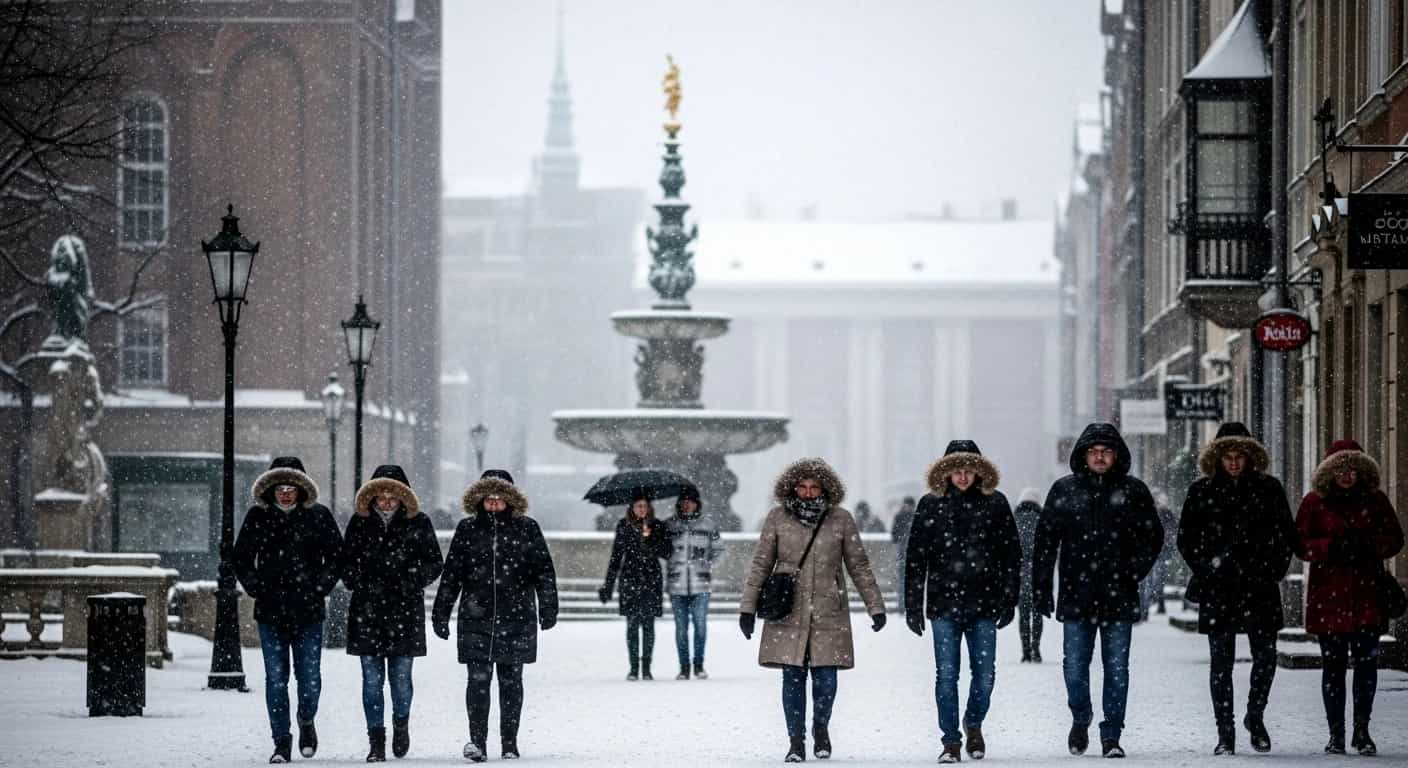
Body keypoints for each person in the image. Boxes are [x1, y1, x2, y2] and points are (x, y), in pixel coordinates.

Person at [739, 458, 887, 763]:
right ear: (792, 487)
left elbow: (858, 565)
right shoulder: (777, 517)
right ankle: (796, 741)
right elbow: (761, 564)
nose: (808, 493)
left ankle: (821, 727)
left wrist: (875, 605)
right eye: (802, 487)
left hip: (828, 608)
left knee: (826, 679)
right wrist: (747, 608)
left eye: (814, 487)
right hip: (788, 608)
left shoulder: (840, 519)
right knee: (792, 678)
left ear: (825, 489)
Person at [1033, 423, 1163, 759]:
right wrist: (1041, 588)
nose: (1100, 457)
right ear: (1084, 455)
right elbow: (1045, 542)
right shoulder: (1064, 490)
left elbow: (1153, 536)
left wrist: (1132, 571)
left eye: (1106, 451)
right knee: (1074, 667)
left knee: (1117, 669)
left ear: (1116, 455)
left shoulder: (1133, 491)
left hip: (1119, 594)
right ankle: (1081, 716)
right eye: (1094, 451)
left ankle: (1111, 734)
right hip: (1076, 593)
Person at [1177, 423, 1295, 756]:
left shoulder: (1269, 489)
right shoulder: (1201, 491)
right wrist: (1206, 569)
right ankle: (1224, 732)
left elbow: (1285, 534)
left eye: (1239, 456)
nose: (1233, 463)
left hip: (1260, 586)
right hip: (1219, 587)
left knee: (1266, 657)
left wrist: (1272, 569)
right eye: (1227, 456)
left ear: (1249, 457)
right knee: (1221, 663)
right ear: (1217, 458)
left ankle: (1255, 716)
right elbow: (1186, 538)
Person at [905, 441, 1021, 763]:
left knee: (985, 675)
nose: (963, 477)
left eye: (969, 470)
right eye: (957, 470)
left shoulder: (996, 503)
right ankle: (951, 741)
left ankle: (974, 721)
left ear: (979, 471)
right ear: (946, 472)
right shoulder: (931, 504)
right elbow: (916, 558)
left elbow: (1011, 555)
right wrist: (913, 606)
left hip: (984, 603)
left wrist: (1009, 598)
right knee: (946, 675)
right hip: (944, 605)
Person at [432, 470, 558, 762]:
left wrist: (548, 606)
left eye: (499, 499)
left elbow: (543, 570)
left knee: (511, 682)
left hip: (517, 616)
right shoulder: (467, 529)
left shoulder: (527, 528)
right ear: (479, 499)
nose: (494, 504)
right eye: (489, 498)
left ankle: (509, 742)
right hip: (476, 616)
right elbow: (452, 574)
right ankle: (478, 741)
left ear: (510, 500)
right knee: (477, 681)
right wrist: (441, 612)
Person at [1296, 439, 1405, 756]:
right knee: (1333, 667)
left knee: (1366, 666)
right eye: (1340, 469)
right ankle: (1336, 734)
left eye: (1352, 469)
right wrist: (1329, 547)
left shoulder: (1376, 500)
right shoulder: (1314, 502)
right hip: (1328, 597)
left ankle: (1362, 730)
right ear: (1329, 472)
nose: (1346, 475)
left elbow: (1395, 538)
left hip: (1367, 595)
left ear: (1361, 471)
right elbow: (1300, 544)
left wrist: (1369, 546)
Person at [234, 456, 343, 764]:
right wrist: (256, 586)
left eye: (290, 489)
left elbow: (337, 556)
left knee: (309, 680)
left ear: (301, 489)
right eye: (280, 489)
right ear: (271, 489)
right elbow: (241, 557)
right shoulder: (258, 516)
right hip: (270, 612)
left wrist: (319, 587)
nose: (285, 494)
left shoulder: (318, 516)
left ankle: (306, 719)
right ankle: (281, 741)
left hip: (309, 612)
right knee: (276, 679)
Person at [342, 465, 444, 762]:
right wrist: (360, 580)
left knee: (401, 681)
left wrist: (410, 579)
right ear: (373, 497)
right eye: (381, 497)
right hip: (368, 612)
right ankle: (376, 740)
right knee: (372, 681)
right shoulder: (360, 523)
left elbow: (434, 562)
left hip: (404, 612)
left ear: (402, 497)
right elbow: (345, 562)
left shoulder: (419, 522)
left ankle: (401, 723)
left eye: (392, 497)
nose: (386, 503)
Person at [599, 491, 672, 680]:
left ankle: (646, 667)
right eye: (638, 506)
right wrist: (608, 585)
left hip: (651, 580)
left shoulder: (658, 526)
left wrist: (650, 539)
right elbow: (616, 557)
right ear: (632, 508)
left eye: (645, 506)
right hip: (630, 580)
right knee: (632, 625)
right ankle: (633, 667)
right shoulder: (623, 526)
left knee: (648, 625)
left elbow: (667, 552)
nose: (642, 509)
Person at [662, 484, 724, 680]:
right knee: (681, 629)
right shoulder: (669, 526)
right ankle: (684, 667)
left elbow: (719, 549)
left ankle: (699, 664)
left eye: (690, 501)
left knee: (700, 626)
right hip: (676, 584)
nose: (686, 505)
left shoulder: (708, 525)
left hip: (701, 584)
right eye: (683, 501)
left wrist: (707, 562)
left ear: (697, 504)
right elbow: (660, 549)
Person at [1013, 488, 1044, 663]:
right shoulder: (1042, 521)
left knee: (1023, 614)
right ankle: (1036, 649)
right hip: (1038, 574)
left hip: (1020, 574)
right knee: (1037, 613)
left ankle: (1025, 651)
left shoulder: (1014, 520)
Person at [891, 495, 918, 612]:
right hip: (909, 554)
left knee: (904, 582)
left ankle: (904, 605)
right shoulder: (916, 516)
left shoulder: (900, 516)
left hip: (906, 554)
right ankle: (905, 606)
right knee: (907, 582)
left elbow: (894, 536)